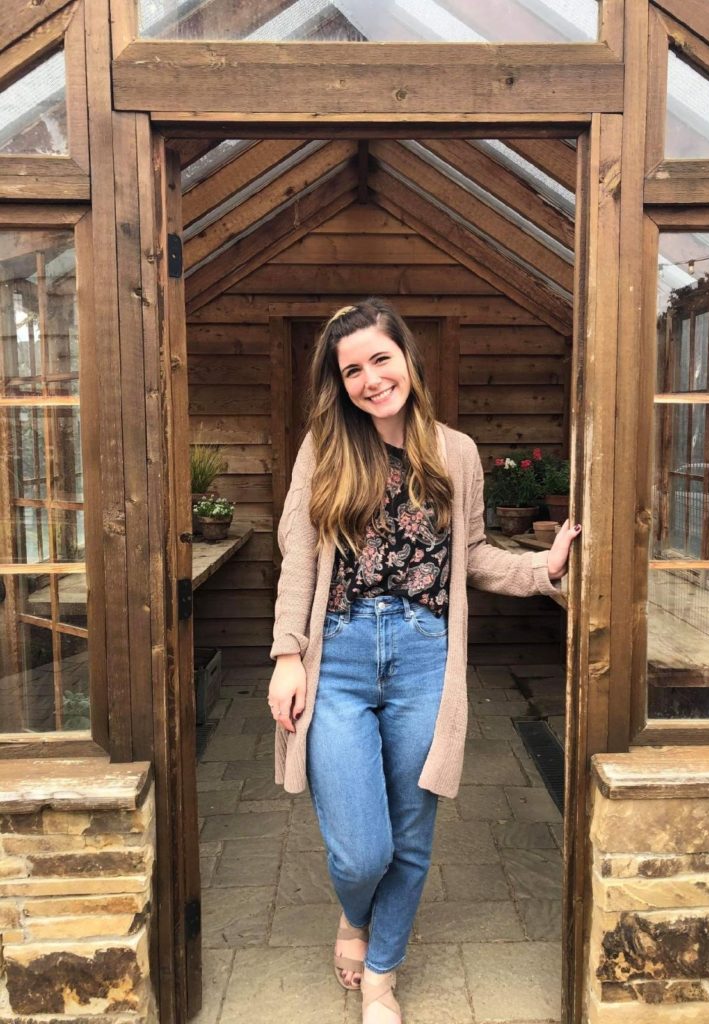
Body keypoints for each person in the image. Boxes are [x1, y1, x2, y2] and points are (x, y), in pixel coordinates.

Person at [267, 298, 581, 1023]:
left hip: (422, 658)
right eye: (353, 369)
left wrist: (546, 568)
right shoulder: (323, 449)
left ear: (407, 358)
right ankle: (354, 915)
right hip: (337, 656)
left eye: (381, 358)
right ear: (339, 383)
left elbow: (467, 556)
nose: (371, 379)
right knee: (361, 851)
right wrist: (288, 655)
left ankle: (382, 976)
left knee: (410, 839)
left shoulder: (456, 452)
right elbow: (298, 559)